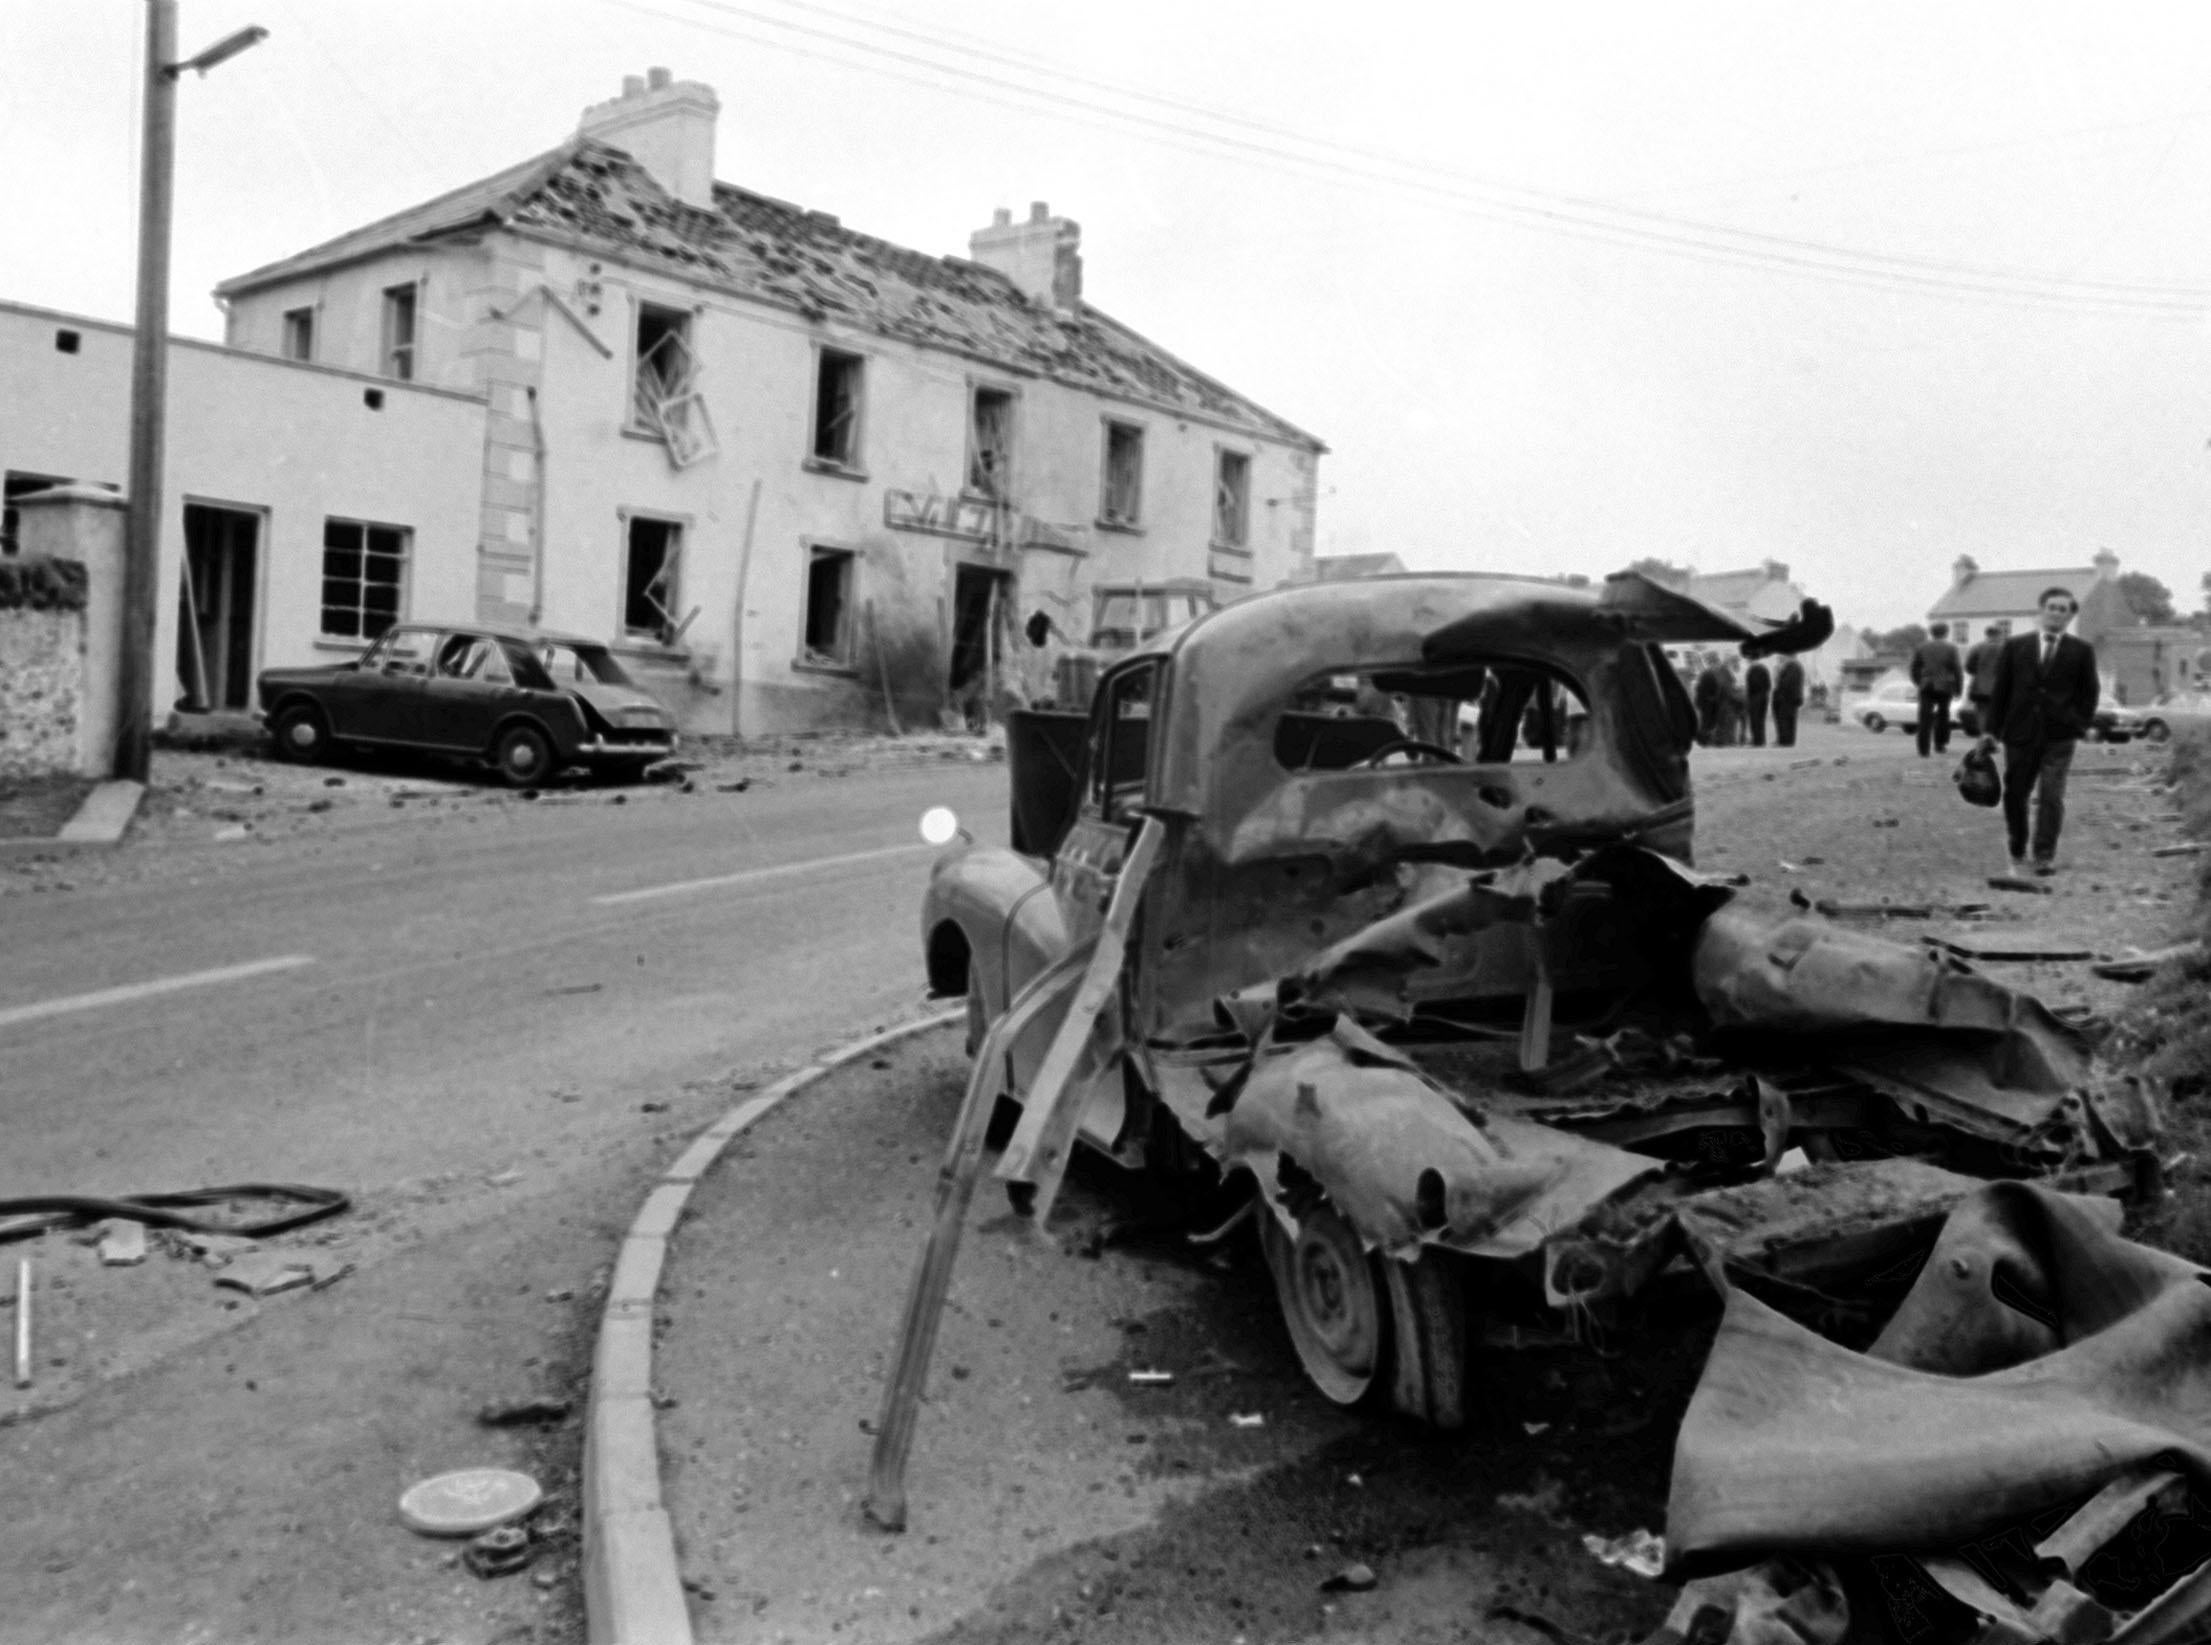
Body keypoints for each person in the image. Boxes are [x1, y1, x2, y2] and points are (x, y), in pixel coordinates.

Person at [1981, 588, 2099, 876]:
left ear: (2070, 616)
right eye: (2052, 607)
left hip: (2059, 736)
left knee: (2051, 796)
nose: (2057, 613)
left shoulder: (2081, 651)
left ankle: (2044, 854)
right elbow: (2001, 692)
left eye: (2063, 609)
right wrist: (1991, 731)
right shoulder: (2015, 646)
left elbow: (2089, 693)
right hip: (2019, 733)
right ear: (2041, 610)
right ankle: (2018, 847)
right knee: (2016, 794)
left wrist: (2077, 723)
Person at [1909, 621, 1965, 757]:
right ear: (1946, 633)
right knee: (1943, 716)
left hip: (1926, 685)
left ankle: (1923, 750)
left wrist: (1919, 682)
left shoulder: (1921, 647)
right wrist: (1958, 688)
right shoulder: (1951, 648)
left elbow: (1914, 667)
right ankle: (1940, 745)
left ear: (1931, 633)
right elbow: (1957, 669)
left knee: (1924, 718)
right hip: (1944, 685)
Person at [1963, 622, 2006, 738]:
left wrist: (1979, 672)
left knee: (1982, 712)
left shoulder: (1977, 648)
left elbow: (1968, 667)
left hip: (1979, 687)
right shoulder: (2005, 648)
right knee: (1998, 711)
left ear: (1987, 634)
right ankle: (1995, 735)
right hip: (1999, 687)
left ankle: (1984, 735)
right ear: (1999, 635)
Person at [1771, 656, 1805, 747]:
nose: (1779, 661)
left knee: (1785, 720)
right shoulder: (1793, 666)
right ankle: (1784, 740)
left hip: (1787, 699)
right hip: (1787, 699)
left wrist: (1778, 673)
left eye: (1780, 658)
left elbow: (1785, 683)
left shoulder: (1793, 667)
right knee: (1784, 720)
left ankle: (1785, 741)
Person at [1744, 659, 1772, 747]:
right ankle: (1761, 740)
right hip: (1764, 698)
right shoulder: (1764, 669)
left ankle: (1756, 741)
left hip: (1755, 698)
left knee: (1754, 720)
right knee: (1761, 720)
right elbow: (1768, 684)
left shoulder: (1753, 670)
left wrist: (1748, 691)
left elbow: (1753, 684)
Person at [1694, 658, 1722, 746]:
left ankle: (1705, 740)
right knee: (1706, 722)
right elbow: (1703, 689)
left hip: (1706, 702)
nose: (1717, 667)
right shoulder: (1708, 675)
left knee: (1706, 722)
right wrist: (1712, 698)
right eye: (1716, 664)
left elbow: (1699, 688)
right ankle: (1703, 741)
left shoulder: (1707, 674)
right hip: (1707, 703)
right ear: (1711, 664)